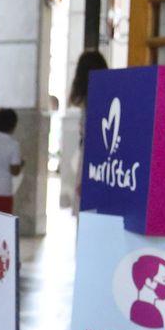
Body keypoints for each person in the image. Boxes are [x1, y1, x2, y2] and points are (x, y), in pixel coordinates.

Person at [59, 48, 109, 209]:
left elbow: (92, 142)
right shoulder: (106, 98)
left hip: (92, 166)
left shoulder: (92, 103)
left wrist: (85, 178)